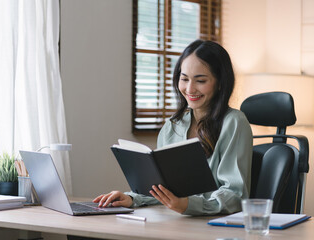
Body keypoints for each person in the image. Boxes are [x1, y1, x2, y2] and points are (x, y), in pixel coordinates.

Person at [93, 39, 253, 215]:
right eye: (184, 79)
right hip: (175, 220)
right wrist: (132, 198)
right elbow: (164, 188)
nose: (190, 89)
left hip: (212, 226)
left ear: (220, 82)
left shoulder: (234, 123)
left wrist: (187, 205)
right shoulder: (173, 125)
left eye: (200, 80)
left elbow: (235, 195)